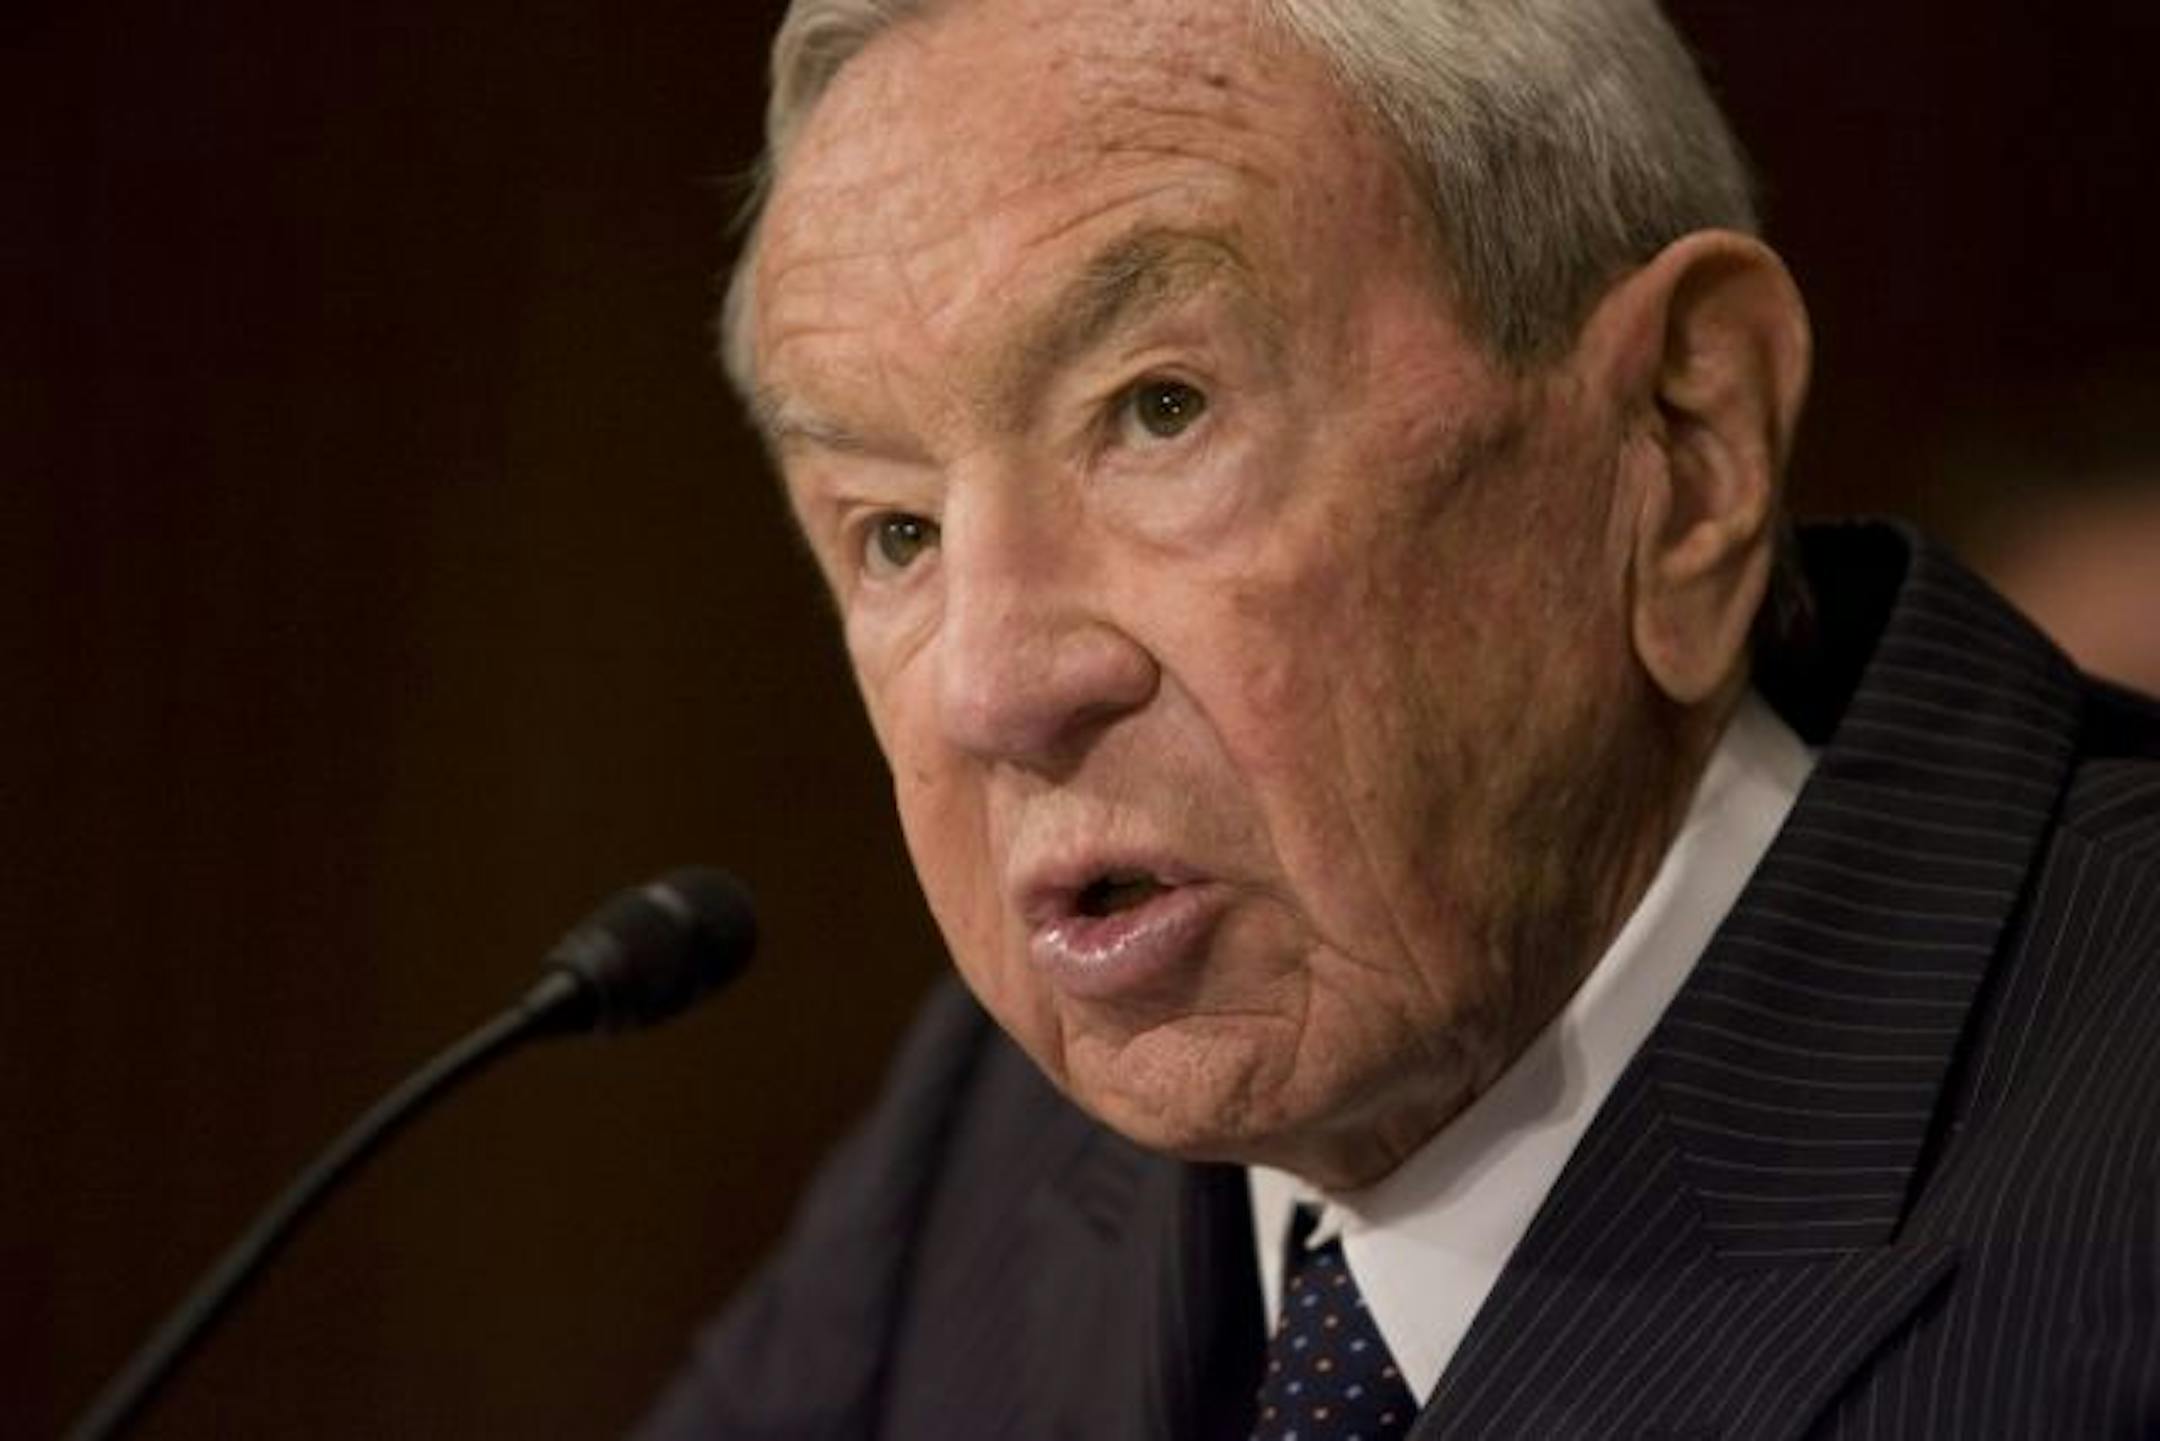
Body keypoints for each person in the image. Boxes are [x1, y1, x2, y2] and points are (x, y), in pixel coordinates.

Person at [639, 0, 2160, 1435]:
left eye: (1160, 410)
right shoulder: (981, 1158)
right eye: (895, 530)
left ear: (1684, 447)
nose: (994, 690)